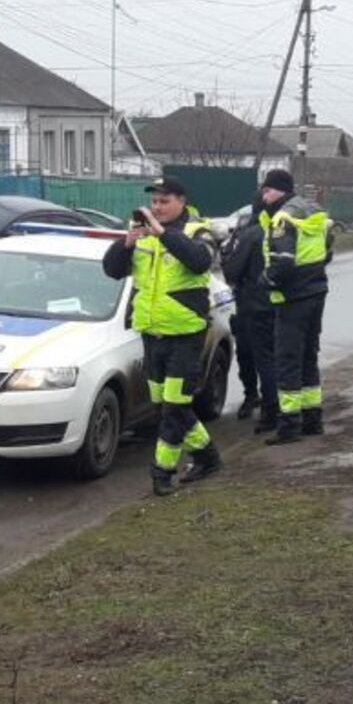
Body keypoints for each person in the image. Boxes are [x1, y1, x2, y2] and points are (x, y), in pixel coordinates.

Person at [102, 177, 223, 497]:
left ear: (181, 201)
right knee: (167, 407)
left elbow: (200, 262)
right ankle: (207, 457)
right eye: (154, 202)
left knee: (174, 406)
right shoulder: (143, 237)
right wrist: (127, 242)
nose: (157, 207)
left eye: (164, 201)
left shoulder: (197, 231)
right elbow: (112, 270)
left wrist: (162, 232)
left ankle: (162, 472)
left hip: (185, 332)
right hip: (152, 332)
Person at [257, 168, 332, 445]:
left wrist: (264, 281)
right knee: (309, 356)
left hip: (292, 298)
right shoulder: (313, 213)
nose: (264, 196)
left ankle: (289, 424)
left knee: (288, 358)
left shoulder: (283, 218)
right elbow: (327, 251)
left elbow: (283, 262)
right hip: (316, 292)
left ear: (279, 190)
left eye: (267, 190)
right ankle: (313, 418)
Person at [221, 209, 280, 430]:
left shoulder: (251, 235)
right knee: (274, 356)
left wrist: (226, 255)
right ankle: (272, 401)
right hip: (279, 304)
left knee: (250, 355)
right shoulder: (283, 230)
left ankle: (258, 400)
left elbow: (232, 272)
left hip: (252, 304)